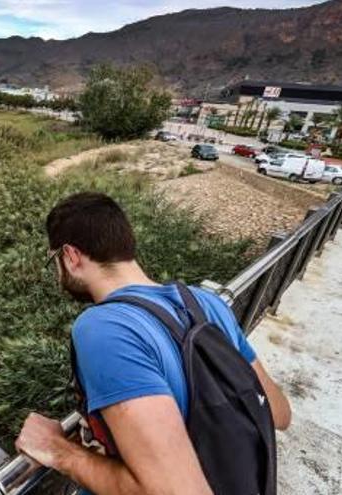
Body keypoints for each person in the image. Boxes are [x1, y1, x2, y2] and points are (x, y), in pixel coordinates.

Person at [15, 192, 291, 495]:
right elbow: (278, 412)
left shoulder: (104, 328)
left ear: (71, 256)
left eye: (55, 261)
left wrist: (59, 451)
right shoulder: (207, 304)